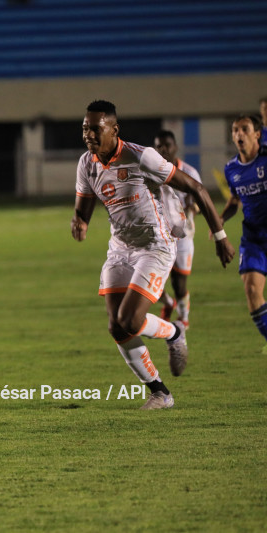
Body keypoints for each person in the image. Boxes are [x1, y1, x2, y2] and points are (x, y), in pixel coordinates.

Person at [71, 100, 233, 409]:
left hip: (155, 247)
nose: (89, 134)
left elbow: (196, 189)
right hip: (120, 248)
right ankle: (160, 392)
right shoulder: (86, 163)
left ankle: (174, 331)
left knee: (129, 319)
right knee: (116, 326)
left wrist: (221, 237)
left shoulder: (141, 156)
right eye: (84, 128)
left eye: (95, 128)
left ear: (114, 130)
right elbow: (84, 202)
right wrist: (80, 221)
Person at [219, 114, 267, 347]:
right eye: (235, 130)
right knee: (251, 290)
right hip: (254, 238)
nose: (239, 134)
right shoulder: (231, 169)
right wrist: (220, 219)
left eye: (245, 129)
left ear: (257, 134)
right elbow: (235, 201)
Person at [153, 130, 203, 328]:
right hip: (157, 236)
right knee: (149, 281)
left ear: (175, 147)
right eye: (158, 146)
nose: (163, 149)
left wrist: (191, 212)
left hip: (182, 237)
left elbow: (199, 200)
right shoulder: (152, 172)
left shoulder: (189, 172)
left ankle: (183, 317)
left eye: (166, 145)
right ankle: (168, 302)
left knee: (179, 283)